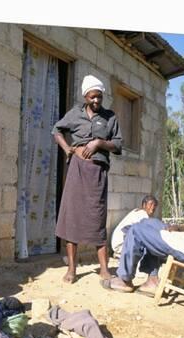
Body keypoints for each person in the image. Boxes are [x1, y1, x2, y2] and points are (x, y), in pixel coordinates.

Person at [101, 140, 184, 295]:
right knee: (149, 223)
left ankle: (124, 279)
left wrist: (174, 236)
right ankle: (152, 281)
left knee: (138, 230)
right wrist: (178, 228)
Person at [52, 74, 122, 283]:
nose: (96, 101)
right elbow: (56, 130)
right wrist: (67, 149)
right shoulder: (74, 114)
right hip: (77, 170)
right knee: (71, 217)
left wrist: (99, 143)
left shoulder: (110, 117)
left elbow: (118, 145)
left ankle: (103, 269)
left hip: (97, 172)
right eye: (92, 97)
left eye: (99, 97)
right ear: (85, 96)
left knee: (97, 218)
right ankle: (72, 270)